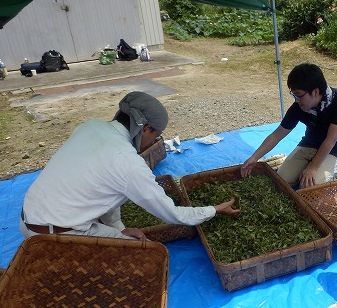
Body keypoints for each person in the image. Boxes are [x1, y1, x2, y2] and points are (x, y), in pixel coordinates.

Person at [20, 91, 239, 240]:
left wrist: (118, 229)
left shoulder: (90, 126)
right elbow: (172, 215)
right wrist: (214, 210)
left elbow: (106, 186)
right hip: (54, 234)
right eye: (156, 135)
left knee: (123, 235)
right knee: (137, 249)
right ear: (146, 129)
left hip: (28, 218)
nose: (154, 142)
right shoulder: (128, 162)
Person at [240, 63, 337, 188]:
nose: (296, 100)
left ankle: (334, 173)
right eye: (294, 95)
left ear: (315, 92)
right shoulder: (299, 107)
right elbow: (276, 135)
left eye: (298, 95)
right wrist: (254, 158)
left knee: (310, 186)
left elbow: (331, 140)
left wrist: (313, 167)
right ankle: (309, 166)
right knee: (282, 180)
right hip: (310, 142)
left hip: (334, 147)